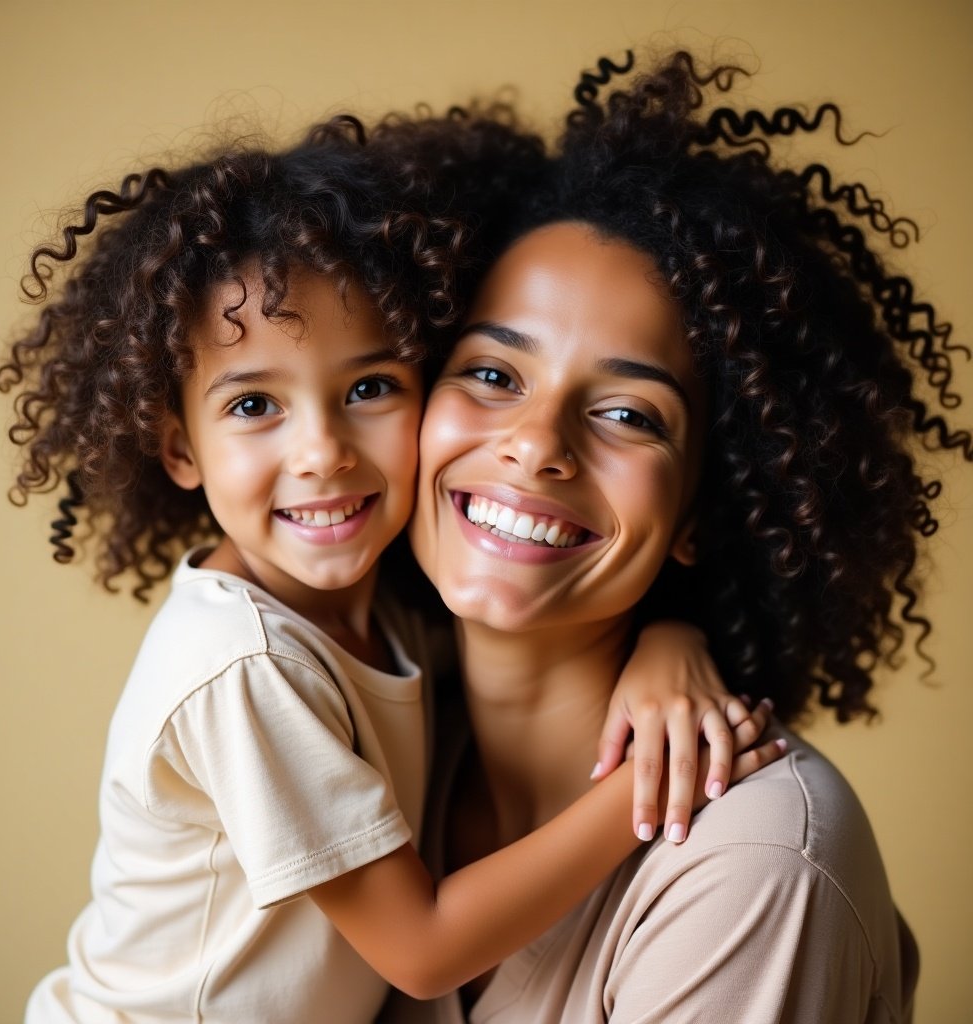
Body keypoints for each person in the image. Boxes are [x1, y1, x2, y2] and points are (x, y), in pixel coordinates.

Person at [0, 119, 781, 1024]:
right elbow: (423, 950)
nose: (323, 452)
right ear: (178, 448)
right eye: (254, 404)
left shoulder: (379, 613)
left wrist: (672, 642)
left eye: (369, 389)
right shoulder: (243, 665)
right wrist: (644, 790)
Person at [381, 48, 970, 1022]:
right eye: (491, 373)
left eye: (631, 415)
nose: (535, 445)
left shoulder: (754, 861)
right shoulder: (367, 734)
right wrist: (672, 634)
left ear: (700, 511)